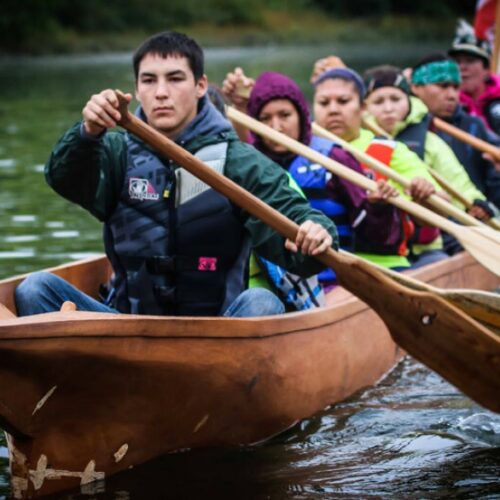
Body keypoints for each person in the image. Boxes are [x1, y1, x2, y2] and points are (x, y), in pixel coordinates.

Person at [15, 31, 337, 318]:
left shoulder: (240, 161)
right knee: (34, 289)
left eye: (175, 78)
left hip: (218, 334)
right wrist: (87, 132)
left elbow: (297, 223)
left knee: (262, 302)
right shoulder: (114, 151)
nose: (161, 92)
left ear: (200, 86)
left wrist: (317, 231)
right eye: (149, 80)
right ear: (137, 89)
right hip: (127, 330)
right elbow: (61, 177)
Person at [222, 69, 406, 284]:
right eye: (265, 118)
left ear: (301, 117)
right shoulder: (249, 164)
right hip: (274, 285)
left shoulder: (335, 157)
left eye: (285, 115)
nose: (276, 127)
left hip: (334, 281)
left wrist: (378, 208)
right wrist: (240, 106)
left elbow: (374, 235)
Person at [312, 63, 448, 268]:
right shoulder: (299, 150)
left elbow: (439, 212)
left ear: (363, 107)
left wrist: (425, 195)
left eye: (343, 101)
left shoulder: (391, 150)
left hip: (386, 266)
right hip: (321, 267)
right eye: (324, 103)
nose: (333, 110)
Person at [363, 64, 494, 224]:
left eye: (396, 99)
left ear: (409, 101)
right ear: (364, 106)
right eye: (378, 102)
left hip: (426, 239)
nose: (388, 108)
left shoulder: (428, 140)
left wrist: (475, 201)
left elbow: (457, 181)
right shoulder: (356, 139)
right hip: (376, 230)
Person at [410, 53, 500, 210]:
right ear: (416, 87)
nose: (452, 95)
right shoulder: (402, 128)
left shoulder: (474, 125)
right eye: (443, 86)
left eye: (456, 87)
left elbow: (494, 191)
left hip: (473, 220)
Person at [448, 20, 500, 135]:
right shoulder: (444, 104)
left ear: (487, 69)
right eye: (456, 61)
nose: (462, 67)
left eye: (470, 61)